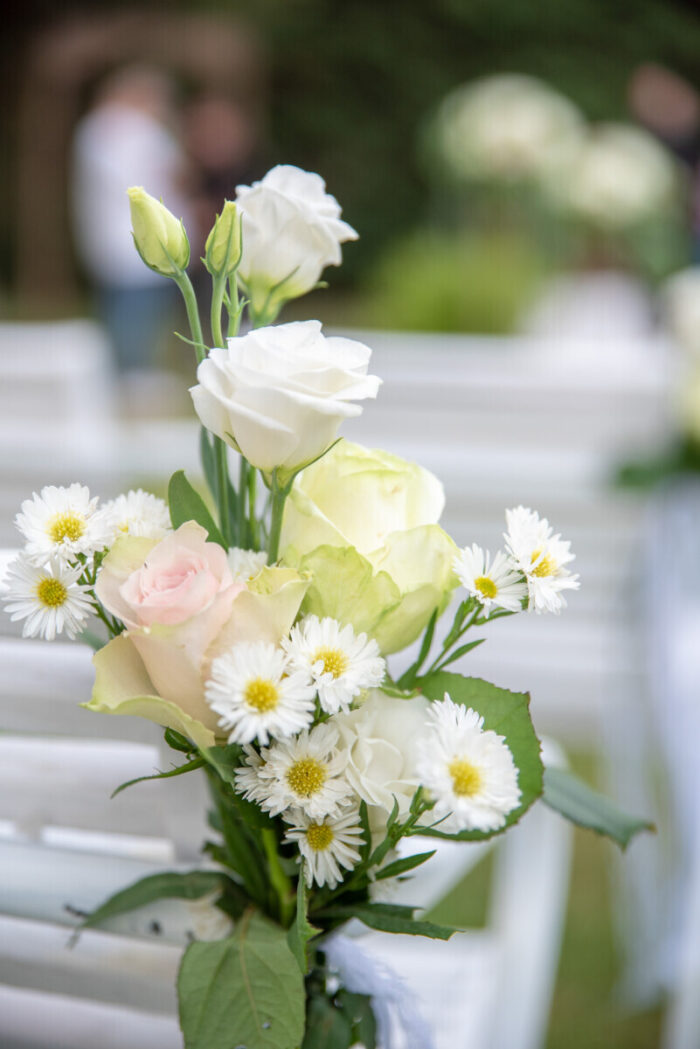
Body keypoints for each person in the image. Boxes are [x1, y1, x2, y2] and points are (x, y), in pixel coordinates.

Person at [71, 65, 193, 373]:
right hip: (136, 237)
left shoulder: (96, 128)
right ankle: (132, 375)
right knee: (136, 313)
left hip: (113, 237)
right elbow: (163, 175)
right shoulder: (131, 128)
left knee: (122, 309)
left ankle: (125, 372)